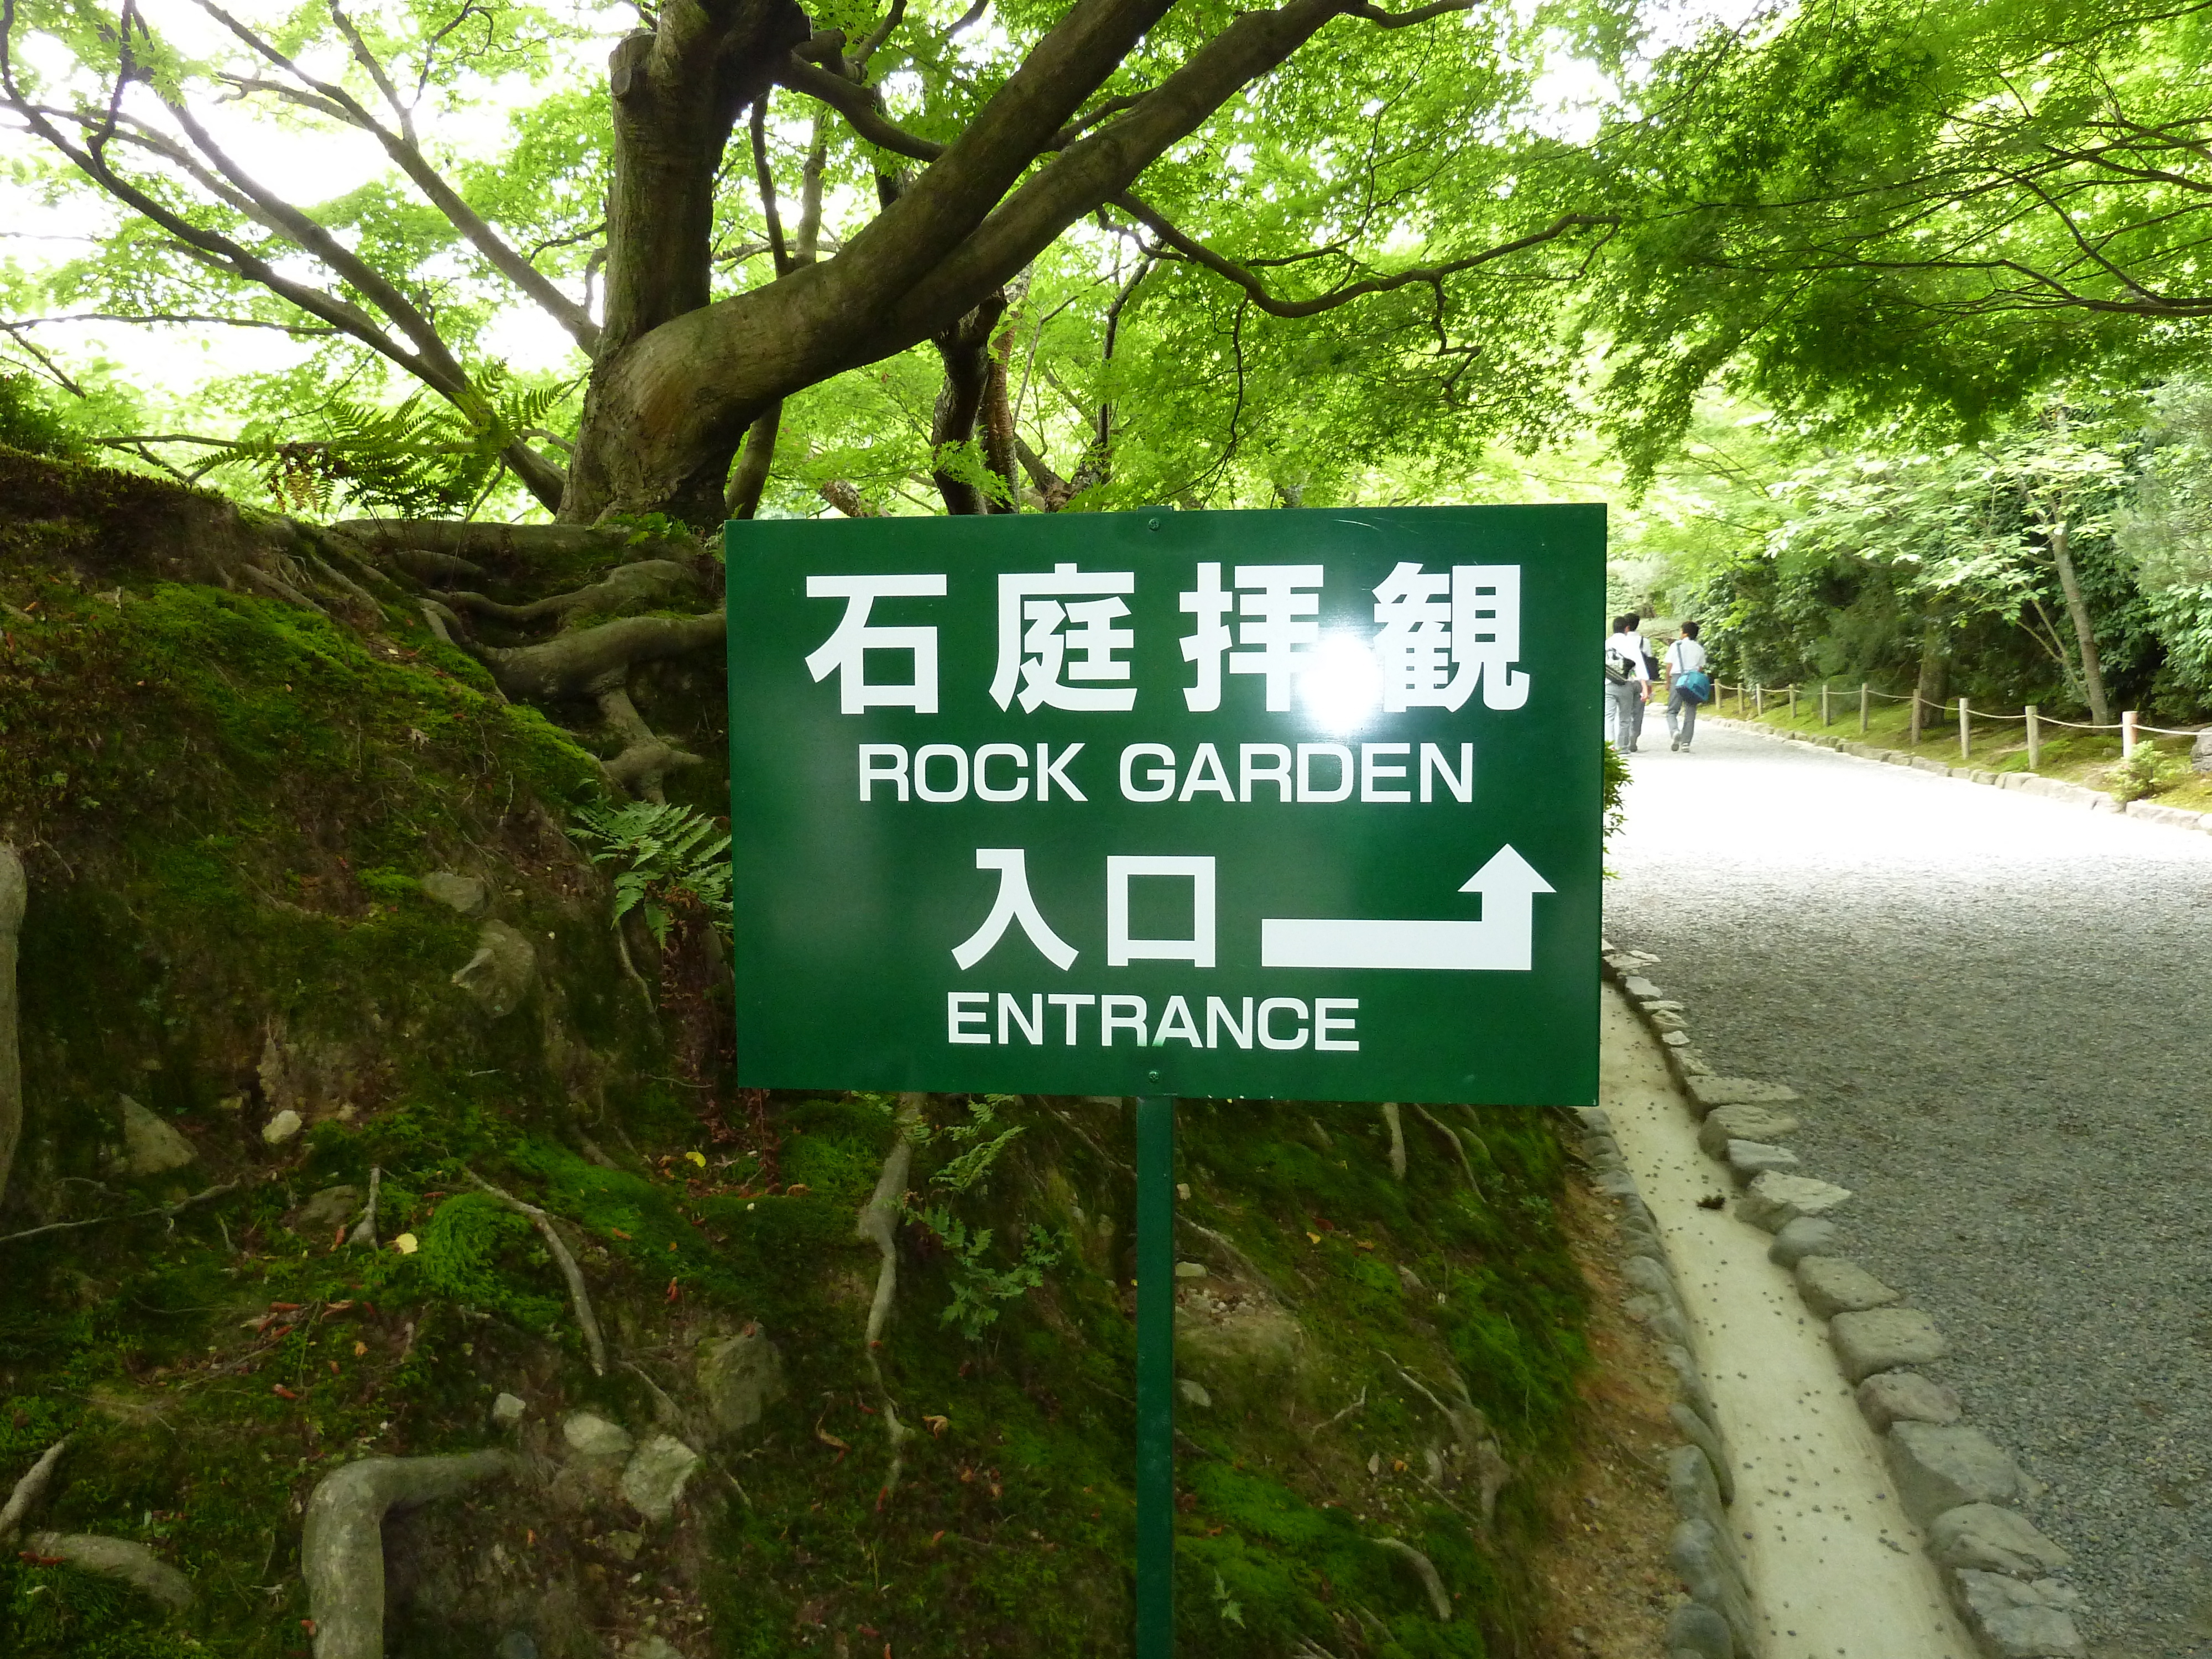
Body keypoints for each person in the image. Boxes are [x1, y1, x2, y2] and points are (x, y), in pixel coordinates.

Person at [1604, 614, 1651, 752]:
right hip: (1626, 684)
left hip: (1608, 683)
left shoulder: (1606, 643)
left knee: (1609, 716)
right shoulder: (1631, 644)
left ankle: (1610, 745)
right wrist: (1645, 688)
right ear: (1626, 629)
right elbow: (1640, 666)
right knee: (1625, 717)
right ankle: (1623, 746)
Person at [1665, 620, 1709, 751]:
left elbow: (1669, 665)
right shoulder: (1700, 649)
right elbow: (1700, 668)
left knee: (1672, 711)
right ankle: (1686, 743)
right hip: (1692, 680)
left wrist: (1667, 681)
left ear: (1684, 633)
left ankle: (1675, 732)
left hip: (1678, 678)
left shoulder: (1676, 646)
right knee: (1690, 712)